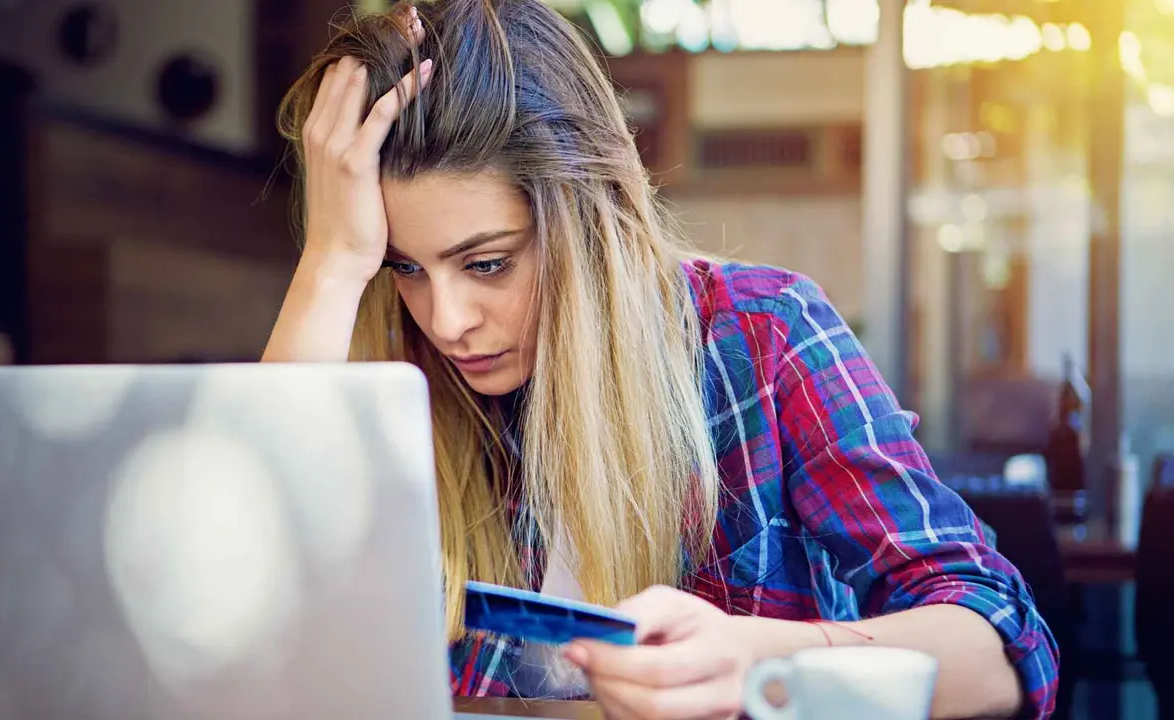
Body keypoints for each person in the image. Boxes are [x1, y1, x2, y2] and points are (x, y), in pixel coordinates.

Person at [262, 0, 1060, 717]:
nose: (446, 321)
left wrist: (759, 663)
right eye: (404, 267)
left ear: (593, 217)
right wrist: (331, 263)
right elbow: (247, 622)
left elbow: (1002, 648)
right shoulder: (393, 380)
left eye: (488, 263)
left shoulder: (763, 336)